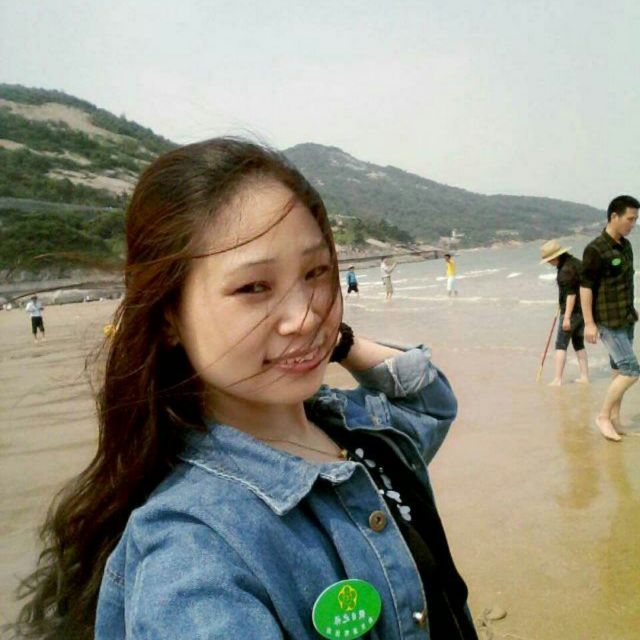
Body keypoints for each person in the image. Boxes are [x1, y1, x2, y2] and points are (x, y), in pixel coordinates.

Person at [12, 139, 477, 640]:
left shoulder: (354, 427)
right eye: (254, 287)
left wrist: (338, 342)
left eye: (316, 272)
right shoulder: (193, 550)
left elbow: (429, 400)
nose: (305, 317)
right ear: (169, 315)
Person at [580, 194, 640, 442]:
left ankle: (615, 420)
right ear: (614, 216)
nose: (633, 224)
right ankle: (603, 417)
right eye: (630, 219)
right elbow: (586, 287)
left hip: (626, 318)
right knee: (631, 370)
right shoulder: (595, 249)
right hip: (608, 321)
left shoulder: (626, 246)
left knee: (617, 371)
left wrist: (632, 309)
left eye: (636, 219)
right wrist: (589, 323)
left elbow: (624, 282)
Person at [539, 240, 589, 386]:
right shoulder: (576, 263)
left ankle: (557, 379)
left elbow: (571, 295)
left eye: (549, 260)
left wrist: (566, 317)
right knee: (578, 343)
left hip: (571, 312)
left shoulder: (565, 271)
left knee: (561, 344)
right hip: (583, 310)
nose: (549, 263)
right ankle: (584, 377)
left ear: (555, 257)